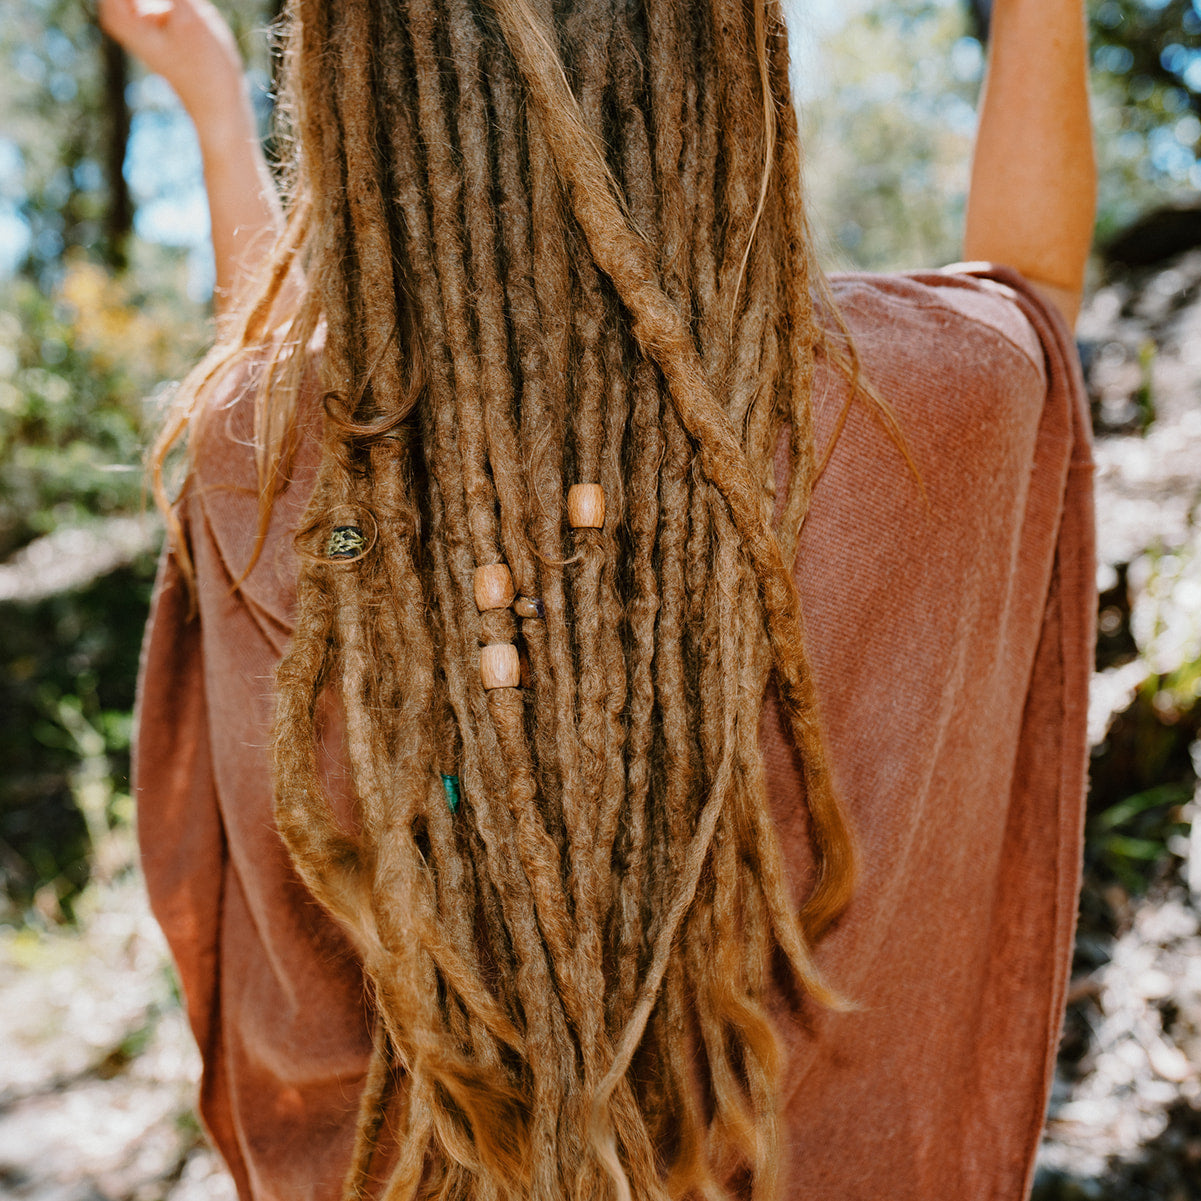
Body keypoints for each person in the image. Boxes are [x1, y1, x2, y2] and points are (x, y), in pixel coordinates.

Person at [110, 0, 1097, 1198]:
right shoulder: (930, 404)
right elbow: (1031, 283)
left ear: (349, 97)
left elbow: (287, 425)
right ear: (736, 59)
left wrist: (217, 106)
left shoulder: (262, 463)